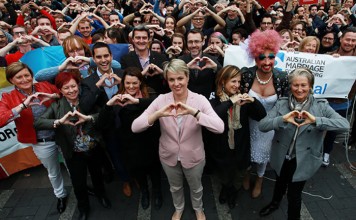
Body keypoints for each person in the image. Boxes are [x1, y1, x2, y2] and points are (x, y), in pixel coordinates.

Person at [132, 59, 224, 220]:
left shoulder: (200, 100)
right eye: (172, 79)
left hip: (194, 155)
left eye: (180, 78)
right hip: (168, 155)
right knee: (175, 187)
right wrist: (158, 114)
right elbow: (135, 126)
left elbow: (219, 127)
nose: (176, 83)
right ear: (167, 81)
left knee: (196, 188)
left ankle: (198, 208)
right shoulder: (161, 100)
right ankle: (179, 208)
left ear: (187, 78)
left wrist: (195, 113)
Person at [258, 68, 349, 219]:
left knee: (294, 193)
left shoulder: (321, 106)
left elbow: (344, 125)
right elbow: (262, 125)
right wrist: (282, 119)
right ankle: (275, 203)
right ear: (290, 86)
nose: (299, 89)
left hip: (303, 159)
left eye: (303, 85)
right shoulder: (281, 104)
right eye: (295, 85)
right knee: (279, 181)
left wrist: (316, 121)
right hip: (281, 155)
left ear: (310, 86)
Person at [34, 72, 112, 220]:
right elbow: (38, 123)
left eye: (73, 86)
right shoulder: (57, 106)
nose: (71, 90)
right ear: (60, 90)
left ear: (78, 86)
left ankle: (102, 196)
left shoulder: (87, 101)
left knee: (97, 176)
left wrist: (89, 118)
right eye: (66, 88)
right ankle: (83, 208)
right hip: (73, 152)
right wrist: (58, 122)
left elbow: (103, 115)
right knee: (78, 183)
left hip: (93, 147)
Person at [0, 62, 67, 214]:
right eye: (19, 77)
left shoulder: (44, 85)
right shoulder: (8, 97)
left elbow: (63, 95)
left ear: (31, 75)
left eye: (27, 75)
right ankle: (61, 195)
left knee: (72, 165)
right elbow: (1, 119)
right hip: (42, 142)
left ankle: (79, 188)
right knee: (53, 171)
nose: (24, 79)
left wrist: (52, 96)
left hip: (62, 135)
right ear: (11, 80)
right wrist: (23, 105)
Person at [205, 65, 266, 209]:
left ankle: (233, 193)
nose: (237, 85)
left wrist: (253, 101)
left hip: (241, 148)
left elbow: (261, 115)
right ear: (222, 81)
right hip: (222, 148)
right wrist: (230, 102)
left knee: (239, 176)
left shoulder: (243, 100)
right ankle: (225, 189)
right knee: (224, 175)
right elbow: (214, 116)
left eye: (238, 82)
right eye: (233, 81)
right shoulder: (215, 99)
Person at [103, 67, 162, 210]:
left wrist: (135, 101)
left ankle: (158, 193)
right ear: (123, 83)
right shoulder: (117, 98)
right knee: (138, 171)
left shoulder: (150, 93)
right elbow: (103, 123)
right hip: (129, 144)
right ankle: (145, 192)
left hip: (149, 141)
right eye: (127, 83)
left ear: (140, 83)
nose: (131, 86)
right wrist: (108, 106)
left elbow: (158, 107)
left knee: (154, 170)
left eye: (134, 83)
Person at [240, 29, 289, 198]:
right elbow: (227, 80)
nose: (267, 61)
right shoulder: (246, 75)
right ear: (255, 57)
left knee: (263, 155)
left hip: (269, 125)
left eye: (271, 57)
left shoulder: (282, 78)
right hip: (248, 124)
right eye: (262, 57)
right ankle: (247, 174)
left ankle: (260, 179)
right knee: (247, 152)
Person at [35, 35, 121, 82]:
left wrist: (90, 61)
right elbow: (38, 77)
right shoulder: (65, 64)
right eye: (71, 51)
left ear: (84, 49)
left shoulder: (93, 60)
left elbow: (117, 66)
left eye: (79, 49)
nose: (76, 54)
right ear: (67, 53)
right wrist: (62, 68)